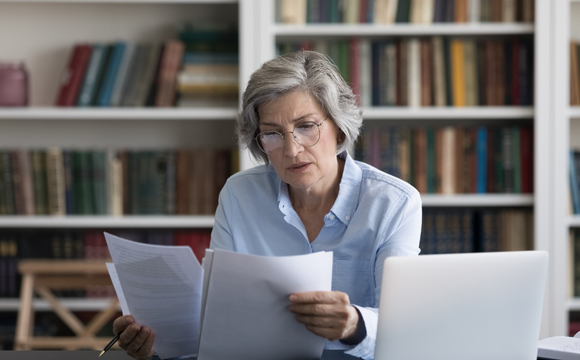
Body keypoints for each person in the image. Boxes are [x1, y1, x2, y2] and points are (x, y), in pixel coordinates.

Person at [112, 50, 422, 360]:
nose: (291, 149)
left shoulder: (393, 203)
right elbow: (216, 323)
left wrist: (354, 324)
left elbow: (404, 330)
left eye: (306, 127)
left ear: (339, 128)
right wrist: (157, 346)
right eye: (272, 133)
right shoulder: (239, 195)